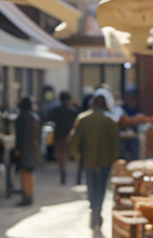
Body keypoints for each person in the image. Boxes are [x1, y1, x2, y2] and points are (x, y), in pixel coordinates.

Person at [72, 94, 121, 230]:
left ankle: (94, 210)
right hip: (105, 161)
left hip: (89, 160)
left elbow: (75, 141)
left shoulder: (83, 120)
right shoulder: (110, 121)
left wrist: (77, 156)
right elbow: (115, 145)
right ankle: (97, 212)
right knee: (101, 188)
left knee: (91, 187)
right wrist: (113, 160)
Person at [44, 91, 79, 186]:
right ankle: (65, 170)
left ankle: (62, 169)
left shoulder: (55, 110)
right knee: (67, 154)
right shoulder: (73, 111)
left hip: (58, 135)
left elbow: (48, 120)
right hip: (69, 136)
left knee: (60, 154)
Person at [11, 95, 40, 207]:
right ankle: (29, 195)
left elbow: (19, 135)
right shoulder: (35, 118)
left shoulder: (21, 118)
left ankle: (26, 196)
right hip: (33, 148)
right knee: (30, 173)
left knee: (24, 173)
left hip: (24, 149)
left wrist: (17, 149)